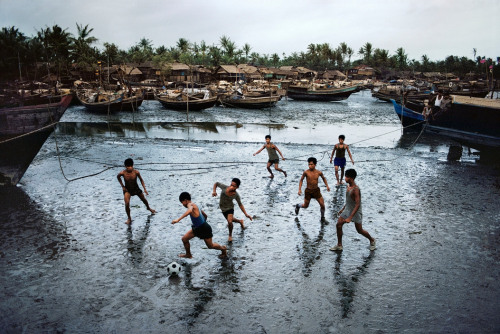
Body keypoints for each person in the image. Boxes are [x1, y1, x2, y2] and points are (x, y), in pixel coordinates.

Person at [330, 169, 376, 252]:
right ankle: (339, 245)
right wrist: (342, 209)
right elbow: (348, 201)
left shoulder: (355, 190)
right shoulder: (348, 187)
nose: (345, 178)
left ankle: (372, 240)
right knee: (338, 225)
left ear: (352, 178)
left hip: (356, 211)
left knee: (359, 230)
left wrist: (350, 217)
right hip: (348, 209)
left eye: (346, 177)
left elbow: (357, 204)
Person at [172, 192, 227, 259]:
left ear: (185, 200)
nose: (182, 204)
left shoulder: (190, 205)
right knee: (184, 239)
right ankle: (188, 255)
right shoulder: (195, 205)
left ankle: (223, 249)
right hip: (197, 227)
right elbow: (205, 215)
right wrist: (201, 222)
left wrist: (178, 220)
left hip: (204, 228)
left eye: (182, 202)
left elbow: (189, 211)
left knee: (210, 246)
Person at [117, 158, 156, 224]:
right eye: (128, 167)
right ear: (126, 167)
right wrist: (122, 186)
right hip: (127, 190)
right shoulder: (123, 173)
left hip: (136, 189)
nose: (130, 168)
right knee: (126, 203)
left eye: (131, 166)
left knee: (144, 199)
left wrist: (145, 189)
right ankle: (129, 218)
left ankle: (148, 208)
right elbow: (118, 177)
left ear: (133, 165)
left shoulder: (136, 172)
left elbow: (141, 180)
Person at [295, 157, 331, 221]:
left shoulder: (318, 172)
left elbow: (324, 178)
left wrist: (327, 186)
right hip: (308, 191)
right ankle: (298, 206)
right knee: (306, 206)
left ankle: (322, 218)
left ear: (315, 164)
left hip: (316, 190)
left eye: (311, 164)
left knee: (322, 205)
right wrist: (299, 189)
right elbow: (301, 180)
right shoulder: (306, 172)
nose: (310, 166)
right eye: (309, 164)